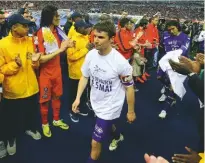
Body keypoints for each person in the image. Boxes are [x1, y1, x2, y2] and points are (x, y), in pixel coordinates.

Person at [72, 20, 136, 163]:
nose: (96, 40)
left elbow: (129, 87)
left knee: (95, 143)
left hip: (110, 106)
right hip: (96, 101)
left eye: (101, 37)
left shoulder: (120, 62)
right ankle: (117, 136)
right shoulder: (91, 55)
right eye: (95, 36)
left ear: (111, 39)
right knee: (109, 126)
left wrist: (131, 111)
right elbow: (84, 76)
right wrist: (77, 98)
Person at [0, 14, 41, 156]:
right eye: (24, 25)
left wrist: (36, 62)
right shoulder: (2, 44)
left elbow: (33, 62)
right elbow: (1, 69)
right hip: (14, 90)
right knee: (10, 117)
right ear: (14, 27)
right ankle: (10, 138)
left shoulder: (30, 41)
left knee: (30, 111)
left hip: (32, 87)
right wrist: (15, 65)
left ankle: (29, 127)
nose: (27, 27)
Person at [33, 5, 74, 137]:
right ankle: (45, 123)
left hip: (57, 72)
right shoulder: (40, 33)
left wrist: (67, 47)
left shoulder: (59, 31)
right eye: (56, 15)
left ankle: (56, 119)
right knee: (45, 100)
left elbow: (59, 52)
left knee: (57, 97)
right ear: (49, 17)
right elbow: (41, 59)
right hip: (45, 74)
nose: (58, 17)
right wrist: (61, 50)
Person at [157, 20, 190, 118]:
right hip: (166, 61)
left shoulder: (185, 37)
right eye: (169, 29)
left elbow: (183, 50)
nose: (171, 31)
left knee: (173, 86)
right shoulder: (166, 35)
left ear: (178, 27)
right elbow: (162, 46)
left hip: (179, 64)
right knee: (159, 76)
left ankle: (165, 109)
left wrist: (172, 57)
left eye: (173, 29)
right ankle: (166, 87)